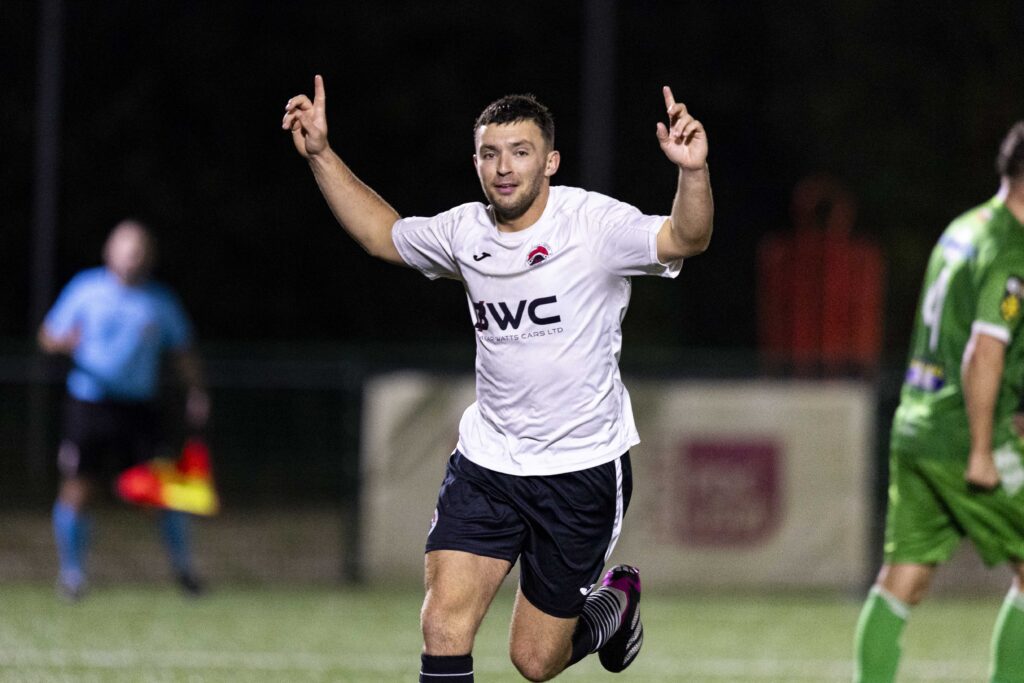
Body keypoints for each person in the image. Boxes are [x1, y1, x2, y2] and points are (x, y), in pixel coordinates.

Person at [284, 77, 712, 681]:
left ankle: (613, 607)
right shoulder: (465, 232)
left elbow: (686, 237)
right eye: (490, 153)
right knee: (442, 625)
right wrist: (322, 155)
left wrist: (693, 172)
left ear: (551, 162)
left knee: (534, 661)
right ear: (477, 162)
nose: (503, 167)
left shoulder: (592, 225)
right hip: (489, 463)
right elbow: (383, 235)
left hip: (580, 467)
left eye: (520, 151)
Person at [853, 121, 1024, 682]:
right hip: (961, 433)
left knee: (904, 578)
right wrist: (981, 448)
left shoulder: (964, 228)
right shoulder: (1011, 248)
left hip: (917, 421)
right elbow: (983, 352)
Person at [39, 219, 211, 600]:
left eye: (139, 250)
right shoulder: (86, 289)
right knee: (78, 488)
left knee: (163, 492)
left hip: (139, 408)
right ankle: (72, 575)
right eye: (125, 249)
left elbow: (183, 351)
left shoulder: (160, 301)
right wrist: (63, 342)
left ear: (149, 257)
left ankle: (185, 572)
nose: (132, 257)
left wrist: (196, 390)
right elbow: (48, 336)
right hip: (89, 402)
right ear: (109, 252)